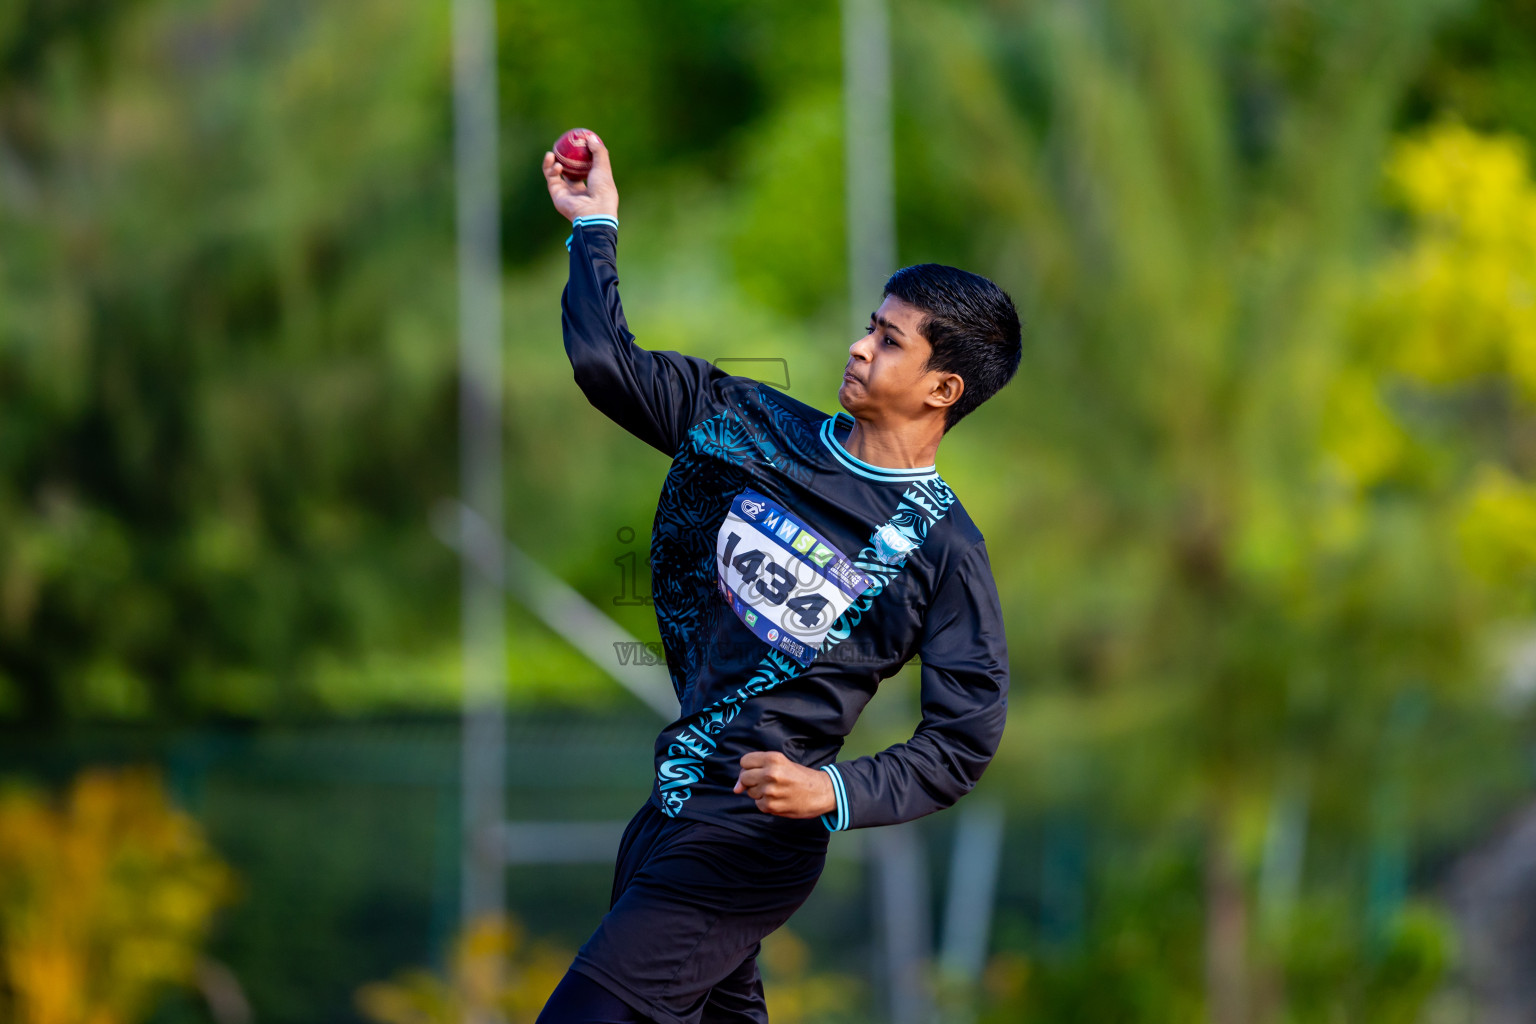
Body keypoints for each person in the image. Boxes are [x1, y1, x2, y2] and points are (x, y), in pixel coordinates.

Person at [535, 130, 1020, 1024]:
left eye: (889, 339)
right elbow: (608, 366)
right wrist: (593, 225)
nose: (860, 346)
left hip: (750, 841)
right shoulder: (752, 425)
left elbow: (964, 737)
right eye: (869, 325)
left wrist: (830, 792)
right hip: (669, 807)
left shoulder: (946, 550)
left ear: (943, 389)